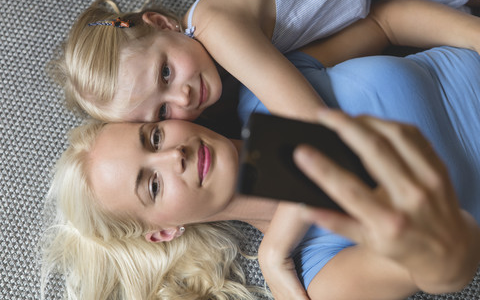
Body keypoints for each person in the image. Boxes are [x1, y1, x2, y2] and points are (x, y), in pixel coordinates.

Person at [42, 40, 480, 298]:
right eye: (152, 185)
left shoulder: (262, 85)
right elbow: (448, 265)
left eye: (154, 137)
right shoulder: (318, 271)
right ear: (162, 231)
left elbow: (385, 22)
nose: (173, 156)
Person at [53, 0, 480, 125]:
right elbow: (384, 19)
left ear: (163, 24)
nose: (181, 99)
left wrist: (275, 245)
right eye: (161, 114)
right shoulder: (236, 63)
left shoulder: (218, 27)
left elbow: (312, 121)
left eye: (165, 74)